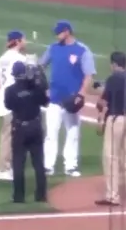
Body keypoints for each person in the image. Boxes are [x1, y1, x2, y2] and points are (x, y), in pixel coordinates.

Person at [40, 20, 96, 178]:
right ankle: (48, 165)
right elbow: (40, 67)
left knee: (72, 133)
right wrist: (45, 88)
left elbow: (89, 75)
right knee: (51, 133)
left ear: (67, 32)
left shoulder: (82, 50)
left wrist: (81, 95)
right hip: (55, 99)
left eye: (59, 32)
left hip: (72, 100)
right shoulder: (53, 48)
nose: (56, 35)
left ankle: (70, 166)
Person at [94, 51, 126, 206]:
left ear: (114, 64)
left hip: (116, 120)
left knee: (111, 157)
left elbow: (101, 102)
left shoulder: (112, 79)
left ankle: (112, 196)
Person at [4, 61, 49, 203]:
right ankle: (41, 195)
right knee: (39, 163)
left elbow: (8, 105)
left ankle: (19, 196)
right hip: (35, 127)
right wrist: (41, 84)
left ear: (14, 75)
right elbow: (45, 101)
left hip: (19, 129)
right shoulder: (35, 88)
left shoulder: (10, 91)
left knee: (18, 163)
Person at [0, 30, 28, 181]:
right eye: (24, 40)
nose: (25, 42)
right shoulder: (21, 59)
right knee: (10, 136)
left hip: (3, 99)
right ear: (18, 41)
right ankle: (3, 169)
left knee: (7, 135)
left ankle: (5, 166)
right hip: (15, 101)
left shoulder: (2, 59)